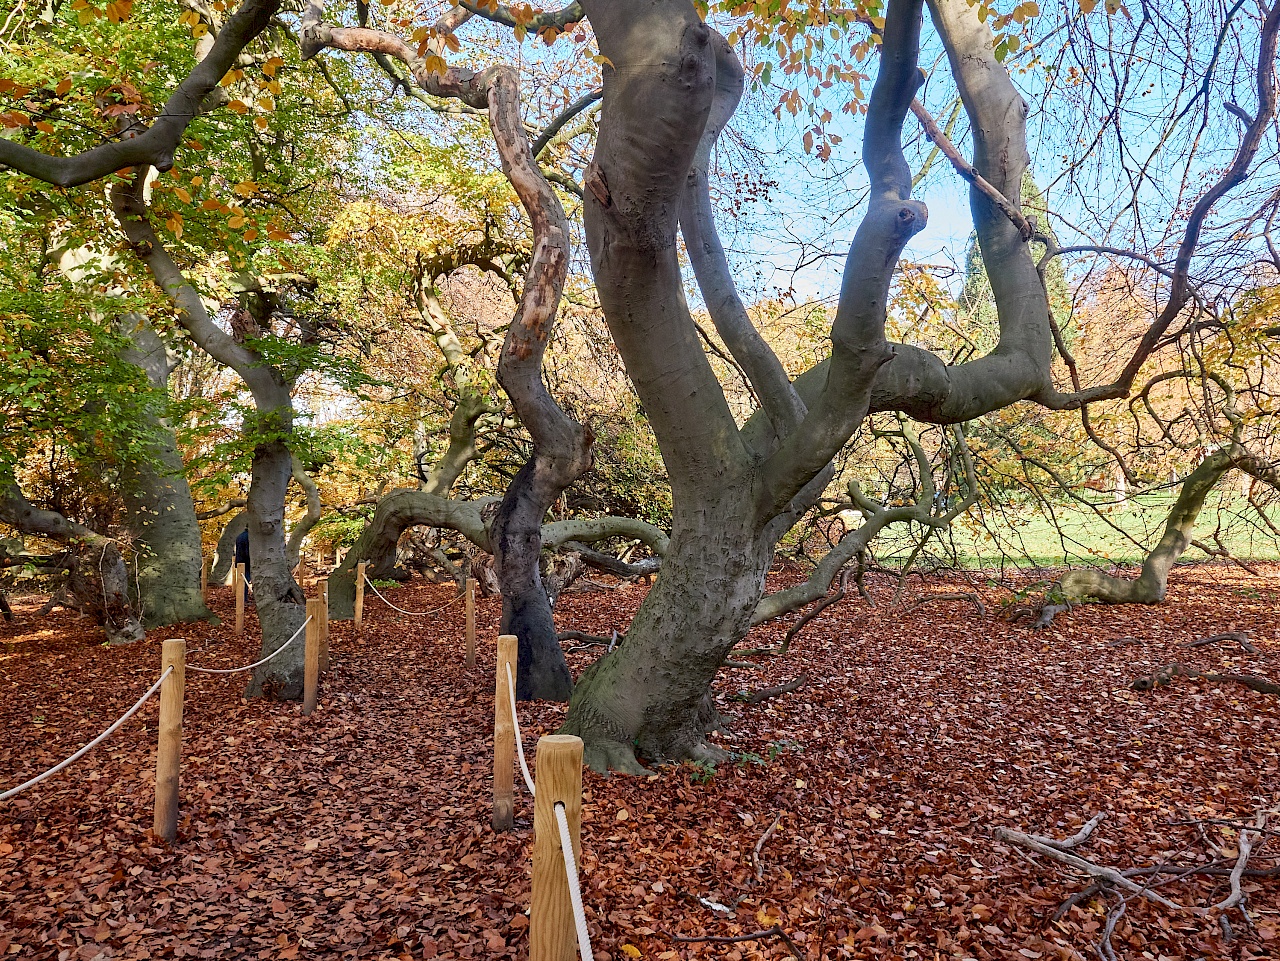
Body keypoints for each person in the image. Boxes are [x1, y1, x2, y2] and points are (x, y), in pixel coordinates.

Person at [234, 528, 252, 603]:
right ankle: (243, 599)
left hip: (240, 561)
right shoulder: (249, 537)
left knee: (242, 581)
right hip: (246, 562)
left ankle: (242, 598)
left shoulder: (240, 536)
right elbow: (247, 551)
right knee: (245, 581)